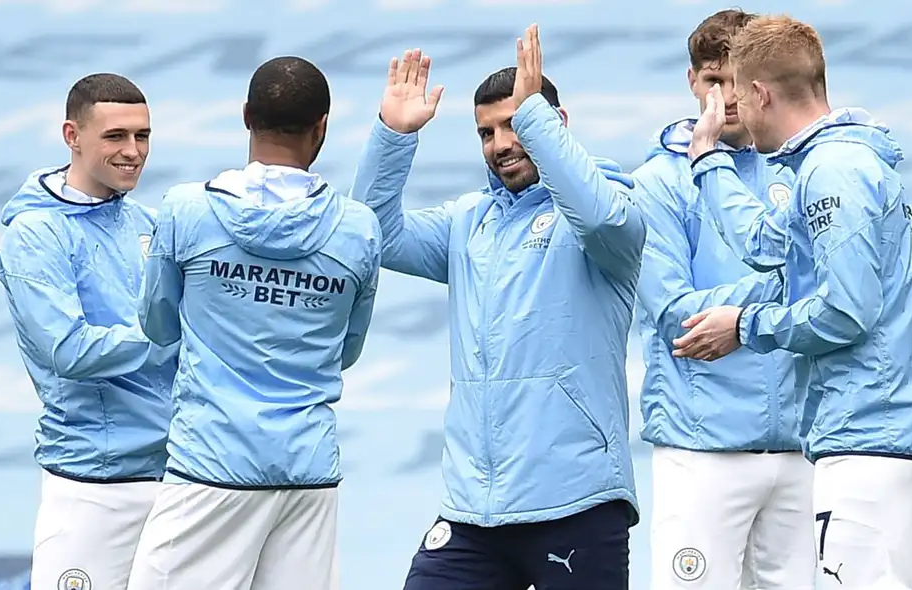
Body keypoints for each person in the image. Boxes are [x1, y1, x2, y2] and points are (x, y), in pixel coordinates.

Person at [351, 24, 645, 590]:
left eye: (515, 124)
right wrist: (393, 136)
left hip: (576, 499)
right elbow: (375, 234)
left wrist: (538, 123)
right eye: (487, 132)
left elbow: (601, 217)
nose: (501, 143)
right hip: (472, 508)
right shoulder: (470, 222)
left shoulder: (608, 210)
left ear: (555, 124)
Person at [674, 14, 912, 590]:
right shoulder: (836, 165)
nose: (737, 114)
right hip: (887, 431)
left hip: (869, 432)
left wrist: (747, 326)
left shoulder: (833, 173)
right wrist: (708, 162)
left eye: (737, 93)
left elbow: (845, 311)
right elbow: (763, 243)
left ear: (760, 93)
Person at [126, 56, 381, 590]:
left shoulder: (186, 210)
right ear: (322, 127)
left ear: (245, 116)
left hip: (210, 466)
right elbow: (347, 349)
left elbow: (157, 324)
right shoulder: (357, 228)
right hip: (308, 470)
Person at [630, 9, 815, 589]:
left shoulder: (805, 171)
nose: (727, 97)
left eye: (738, 80)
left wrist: (738, 318)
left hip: (800, 447)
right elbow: (676, 319)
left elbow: (833, 294)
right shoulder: (657, 182)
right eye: (714, 81)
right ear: (692, 82)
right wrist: (780, 292)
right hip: (701, 448)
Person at [0, 73, 175, 590]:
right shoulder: (35, 234)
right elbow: (68, 349)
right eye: (115, 136)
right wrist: (175, 332)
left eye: (142, 136)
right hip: (93, 483)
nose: (133, 151)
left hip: (177, 475)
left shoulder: (148, 221)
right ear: (72, 135)